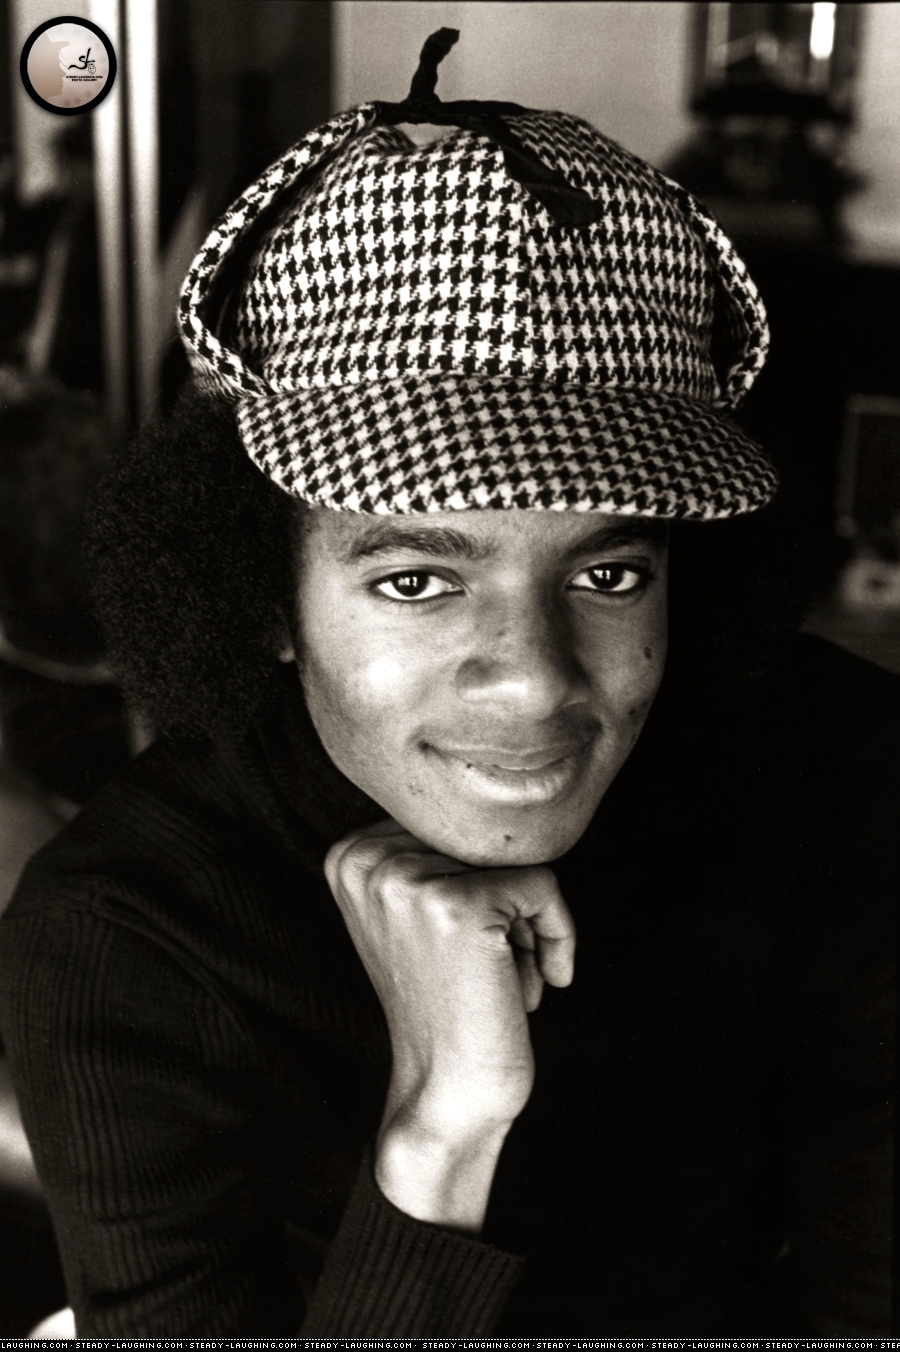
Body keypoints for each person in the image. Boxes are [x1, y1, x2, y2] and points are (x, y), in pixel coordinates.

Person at [0, 30, 896, 1337]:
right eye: (419, 578)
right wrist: (444, 1132)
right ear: (265, 595)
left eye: (609, 573)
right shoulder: (125, 933)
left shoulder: (843, 789)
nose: (533, 682)